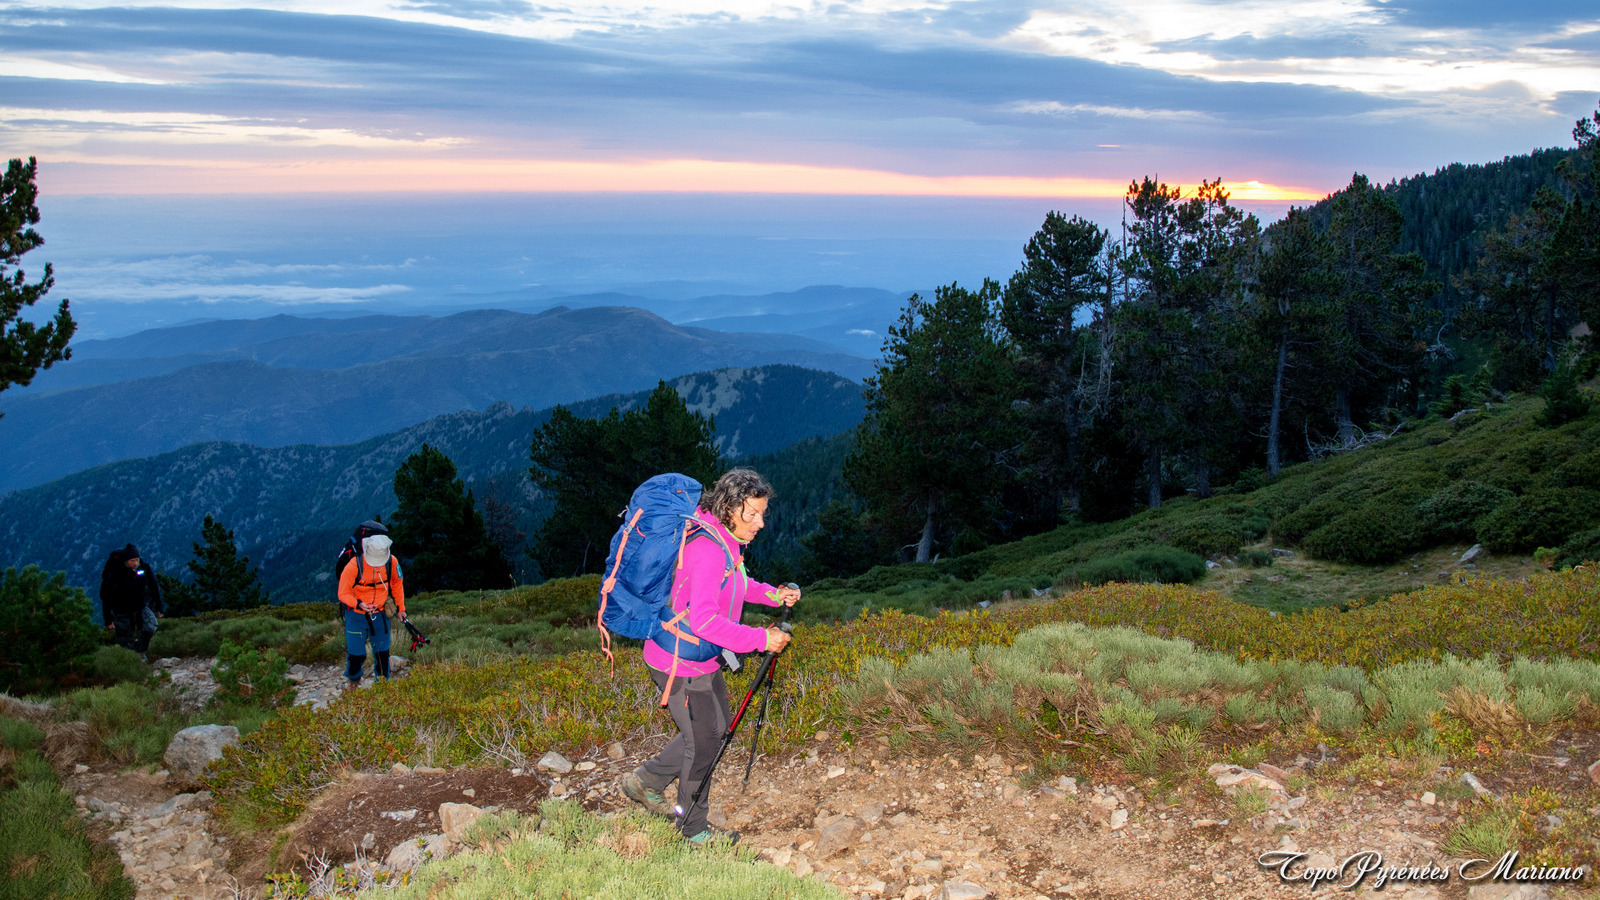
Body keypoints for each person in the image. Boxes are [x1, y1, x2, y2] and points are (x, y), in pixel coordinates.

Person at [619, 468, 800, 844]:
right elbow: (703, 621)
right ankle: (692, 830)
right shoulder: (707, 550)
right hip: (680, 663)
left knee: (714, 730)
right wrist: (760, 638)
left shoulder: (726, 540)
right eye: (752, 514)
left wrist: (773, 595)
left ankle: (646, 781)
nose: (760, 523)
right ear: (729, 508)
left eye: (762, 514)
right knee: (704, 744)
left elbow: (737, 585)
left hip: (700, 657)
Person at [338, 532, 408, 689]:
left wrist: (401, 609)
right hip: (356, 614)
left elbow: (397, 584)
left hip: (380, 613)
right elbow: (343, 593)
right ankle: (353, 682)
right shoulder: (354, 565)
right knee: (356, 654)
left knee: (382, 652)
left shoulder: (392, 562)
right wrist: (358, 604)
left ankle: (382, 685)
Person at [100, 544, 163, 656]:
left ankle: (139, 650)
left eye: (137, 560)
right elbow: (106, 595)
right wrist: (108, 618)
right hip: (121, 608)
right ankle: (133, 658)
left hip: (140, 605)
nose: (135, 563)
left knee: (151, 626)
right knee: (125, 637)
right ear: (126, 561)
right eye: (132, 561)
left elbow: (153, 586)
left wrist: (159, 606)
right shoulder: (116, 572)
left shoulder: (143, 567)